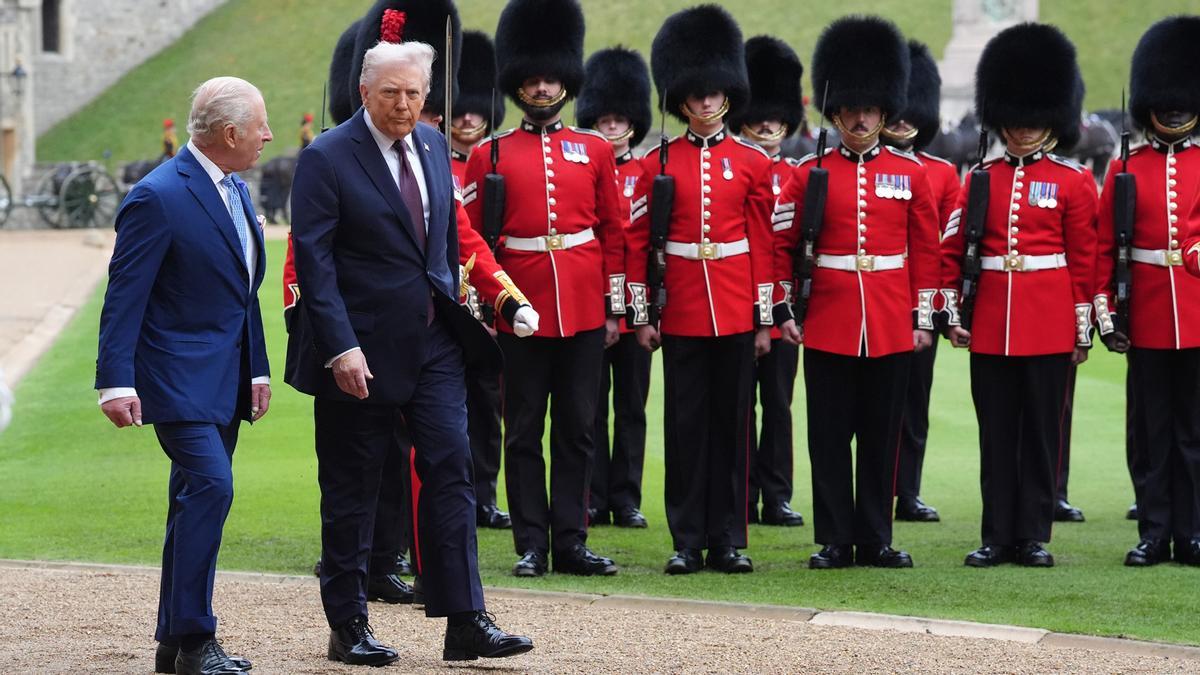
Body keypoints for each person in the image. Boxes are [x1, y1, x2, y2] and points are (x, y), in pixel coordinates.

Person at [286, 40, 534, 665]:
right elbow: (314, 264)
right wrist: (339, 346)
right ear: (364, 91)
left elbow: (448, 242)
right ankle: (348, 623)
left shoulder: (429, 146)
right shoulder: (326, 156)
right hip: (359, 351)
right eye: (391, 92)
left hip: (433, 344)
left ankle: (465, 619)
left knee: (454, 470)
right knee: (353, 486)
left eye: (414, 94)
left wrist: (488, 302)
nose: (403, 104)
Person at [96, 76, 272, 675]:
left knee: (191, 499)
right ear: (229, 133)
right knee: (212, 488)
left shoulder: (237, 191)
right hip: (173, 382)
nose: (269, 136)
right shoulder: (158, 195)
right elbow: (125, 296)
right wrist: (114, 382)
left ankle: (173, 644)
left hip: (225, 381)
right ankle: (197, 640)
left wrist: (258, 371)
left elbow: (243, 291)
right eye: (260, 126)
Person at [464, 0, 626, 578]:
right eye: (531, 78)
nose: (540, 87)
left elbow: (614, 233)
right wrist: (488, 307)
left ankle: (572, 540)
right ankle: (532, 542)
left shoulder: (595, 150)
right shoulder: (490, 153)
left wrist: (614, 309)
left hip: (583, 306)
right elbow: (476, 242)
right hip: (521, 307)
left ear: (566, 79)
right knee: (525, 427)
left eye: (550, 77)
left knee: (579, 428)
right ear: (517, 83)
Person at [773, 16, 939, 569]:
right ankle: (834, 537)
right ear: (836, 111)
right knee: (828, 436)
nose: (861, 117)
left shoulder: (909, 174)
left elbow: (926, 253)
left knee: (880, 436)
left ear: (885, 111)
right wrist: (785, 310)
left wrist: (922, 318)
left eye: (871, 109)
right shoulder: (808, 173)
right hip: (828, 318)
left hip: (890, 318)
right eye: (851, 109)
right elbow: (782, 247)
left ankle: (875, 537)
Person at [942, 23, 1098, 569]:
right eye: (1016, 119)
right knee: (997, 435)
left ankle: (1032, 535)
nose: (1025, 129)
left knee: (1038, 435)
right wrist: (954, 314)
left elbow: (1085, 260)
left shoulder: (1074, 182)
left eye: (1034, 119)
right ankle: (996, 535)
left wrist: (1082, 329)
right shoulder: (980, 179)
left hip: (1048, 319)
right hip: (990, 320)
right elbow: (956, 250)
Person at [627, 5, 774, 575]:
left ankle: (728, 538)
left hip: (736, 309)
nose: (707, 102)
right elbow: (641, 244)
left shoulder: (753, 163)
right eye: (697, 94)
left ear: (728, 95)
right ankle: (687, 538)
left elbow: (762, 246)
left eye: (715, 93)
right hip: (683, 309)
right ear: (681, 99)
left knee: (734, 427)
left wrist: (763, 317)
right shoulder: (656, 163)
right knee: (686, 429)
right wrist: (644, 312)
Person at [1095, 15, 1200, 567]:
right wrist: (1107, 311)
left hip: (1197, 311)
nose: (1175, 112)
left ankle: (1194, 530)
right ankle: (1154, 531)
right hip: (1148, 313)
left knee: (1194, 433)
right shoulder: (1126, 165)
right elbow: (1102, 245)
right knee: (1151, 432)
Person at [879, 40, 962, 524]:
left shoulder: (942, 174)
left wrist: (939, 311)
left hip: (919, 301)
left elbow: (946, 248)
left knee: (915, 403)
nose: (906, 120)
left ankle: (906, 489)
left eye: (914, 112)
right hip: (879, 295)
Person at [729, 34, 806, 528]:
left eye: (776, 119)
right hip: (740, 303)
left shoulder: (800, 174)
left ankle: (776, 494)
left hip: (784, 311)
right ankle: (742, 492)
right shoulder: (737, 168)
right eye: (760, 118)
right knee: (739, 407)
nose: (768, 126)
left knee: (777, 404)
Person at [575, 46, 654, 530]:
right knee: (587, 411)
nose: (611, 127)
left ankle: (625, 497)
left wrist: (641, 315)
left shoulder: (648, 172)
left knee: (631, 409)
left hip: (634, 307)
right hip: (591, 304)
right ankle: (591, 494)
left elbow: (649, 249)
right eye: (603, 118)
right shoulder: (584, 167)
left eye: (620, 119)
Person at [450, 29, 513, 530]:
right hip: (438, 303)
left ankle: (484, 495)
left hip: (480, 305)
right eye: (460, 109)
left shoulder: (493, 163)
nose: (468, 117)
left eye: (476, 109)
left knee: (487, 407)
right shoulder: (429, 158)